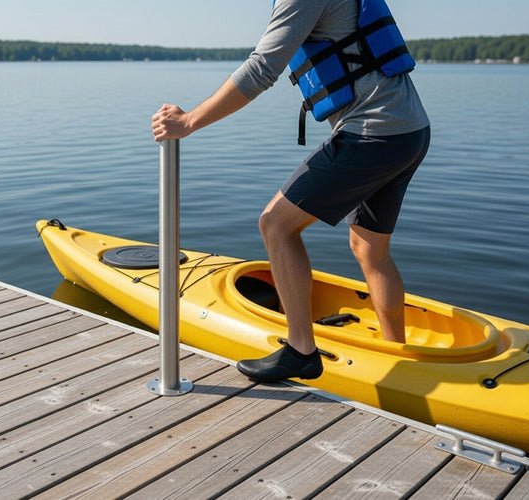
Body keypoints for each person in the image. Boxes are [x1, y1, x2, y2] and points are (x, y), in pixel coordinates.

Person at [151, 0, 430, 383]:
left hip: (373, 134)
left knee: (276, 224)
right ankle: (396, 355)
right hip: (409, 132)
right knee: (369, 248)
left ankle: (301, 351)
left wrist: (189, 122)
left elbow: (262, 69)